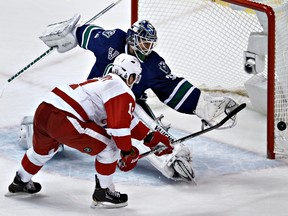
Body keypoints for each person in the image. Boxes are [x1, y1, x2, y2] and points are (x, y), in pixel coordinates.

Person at [20, 14, 239, 182]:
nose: (148, 48)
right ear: (133, 39)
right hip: (94, 104)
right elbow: (88, 34)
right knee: (55, 134)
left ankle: (169, 157)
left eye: (150, 44)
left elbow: (172, 89)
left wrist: (204, 107)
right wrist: (70, 32)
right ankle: (33, 131)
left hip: (125, 106)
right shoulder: (112, 41)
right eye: (144, 43)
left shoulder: (153, 64)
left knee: (147, 125)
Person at [7, 54, 173, 208]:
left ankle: (20, 182)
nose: (134, 82)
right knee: (110, 147)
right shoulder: (121, 88)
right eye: (134, 78)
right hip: (66, 119)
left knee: (41, 152)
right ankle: (104, 192)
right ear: (130, 76)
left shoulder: (104, 83)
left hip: (45, 109)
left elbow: (128, 121)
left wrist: (151, 138)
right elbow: (118, 128)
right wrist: (127, 151)